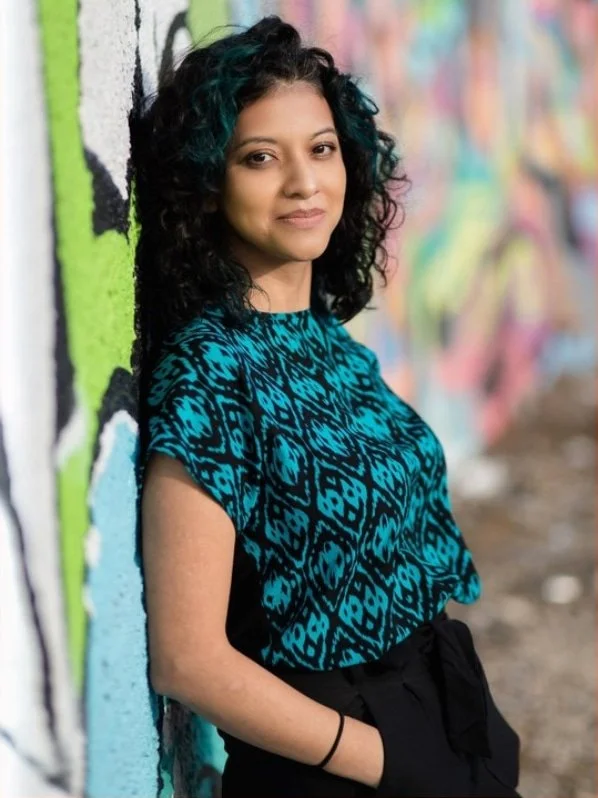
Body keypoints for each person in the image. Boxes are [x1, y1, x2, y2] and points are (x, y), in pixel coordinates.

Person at [133, 15, 522, 798]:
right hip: (336, 766)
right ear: (208, 185)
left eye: (320, 148)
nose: (305, 183)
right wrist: (389, 761)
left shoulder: (327, 342)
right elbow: (186, 657)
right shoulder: (211, 373)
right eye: (259, 158)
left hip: (439, 721)